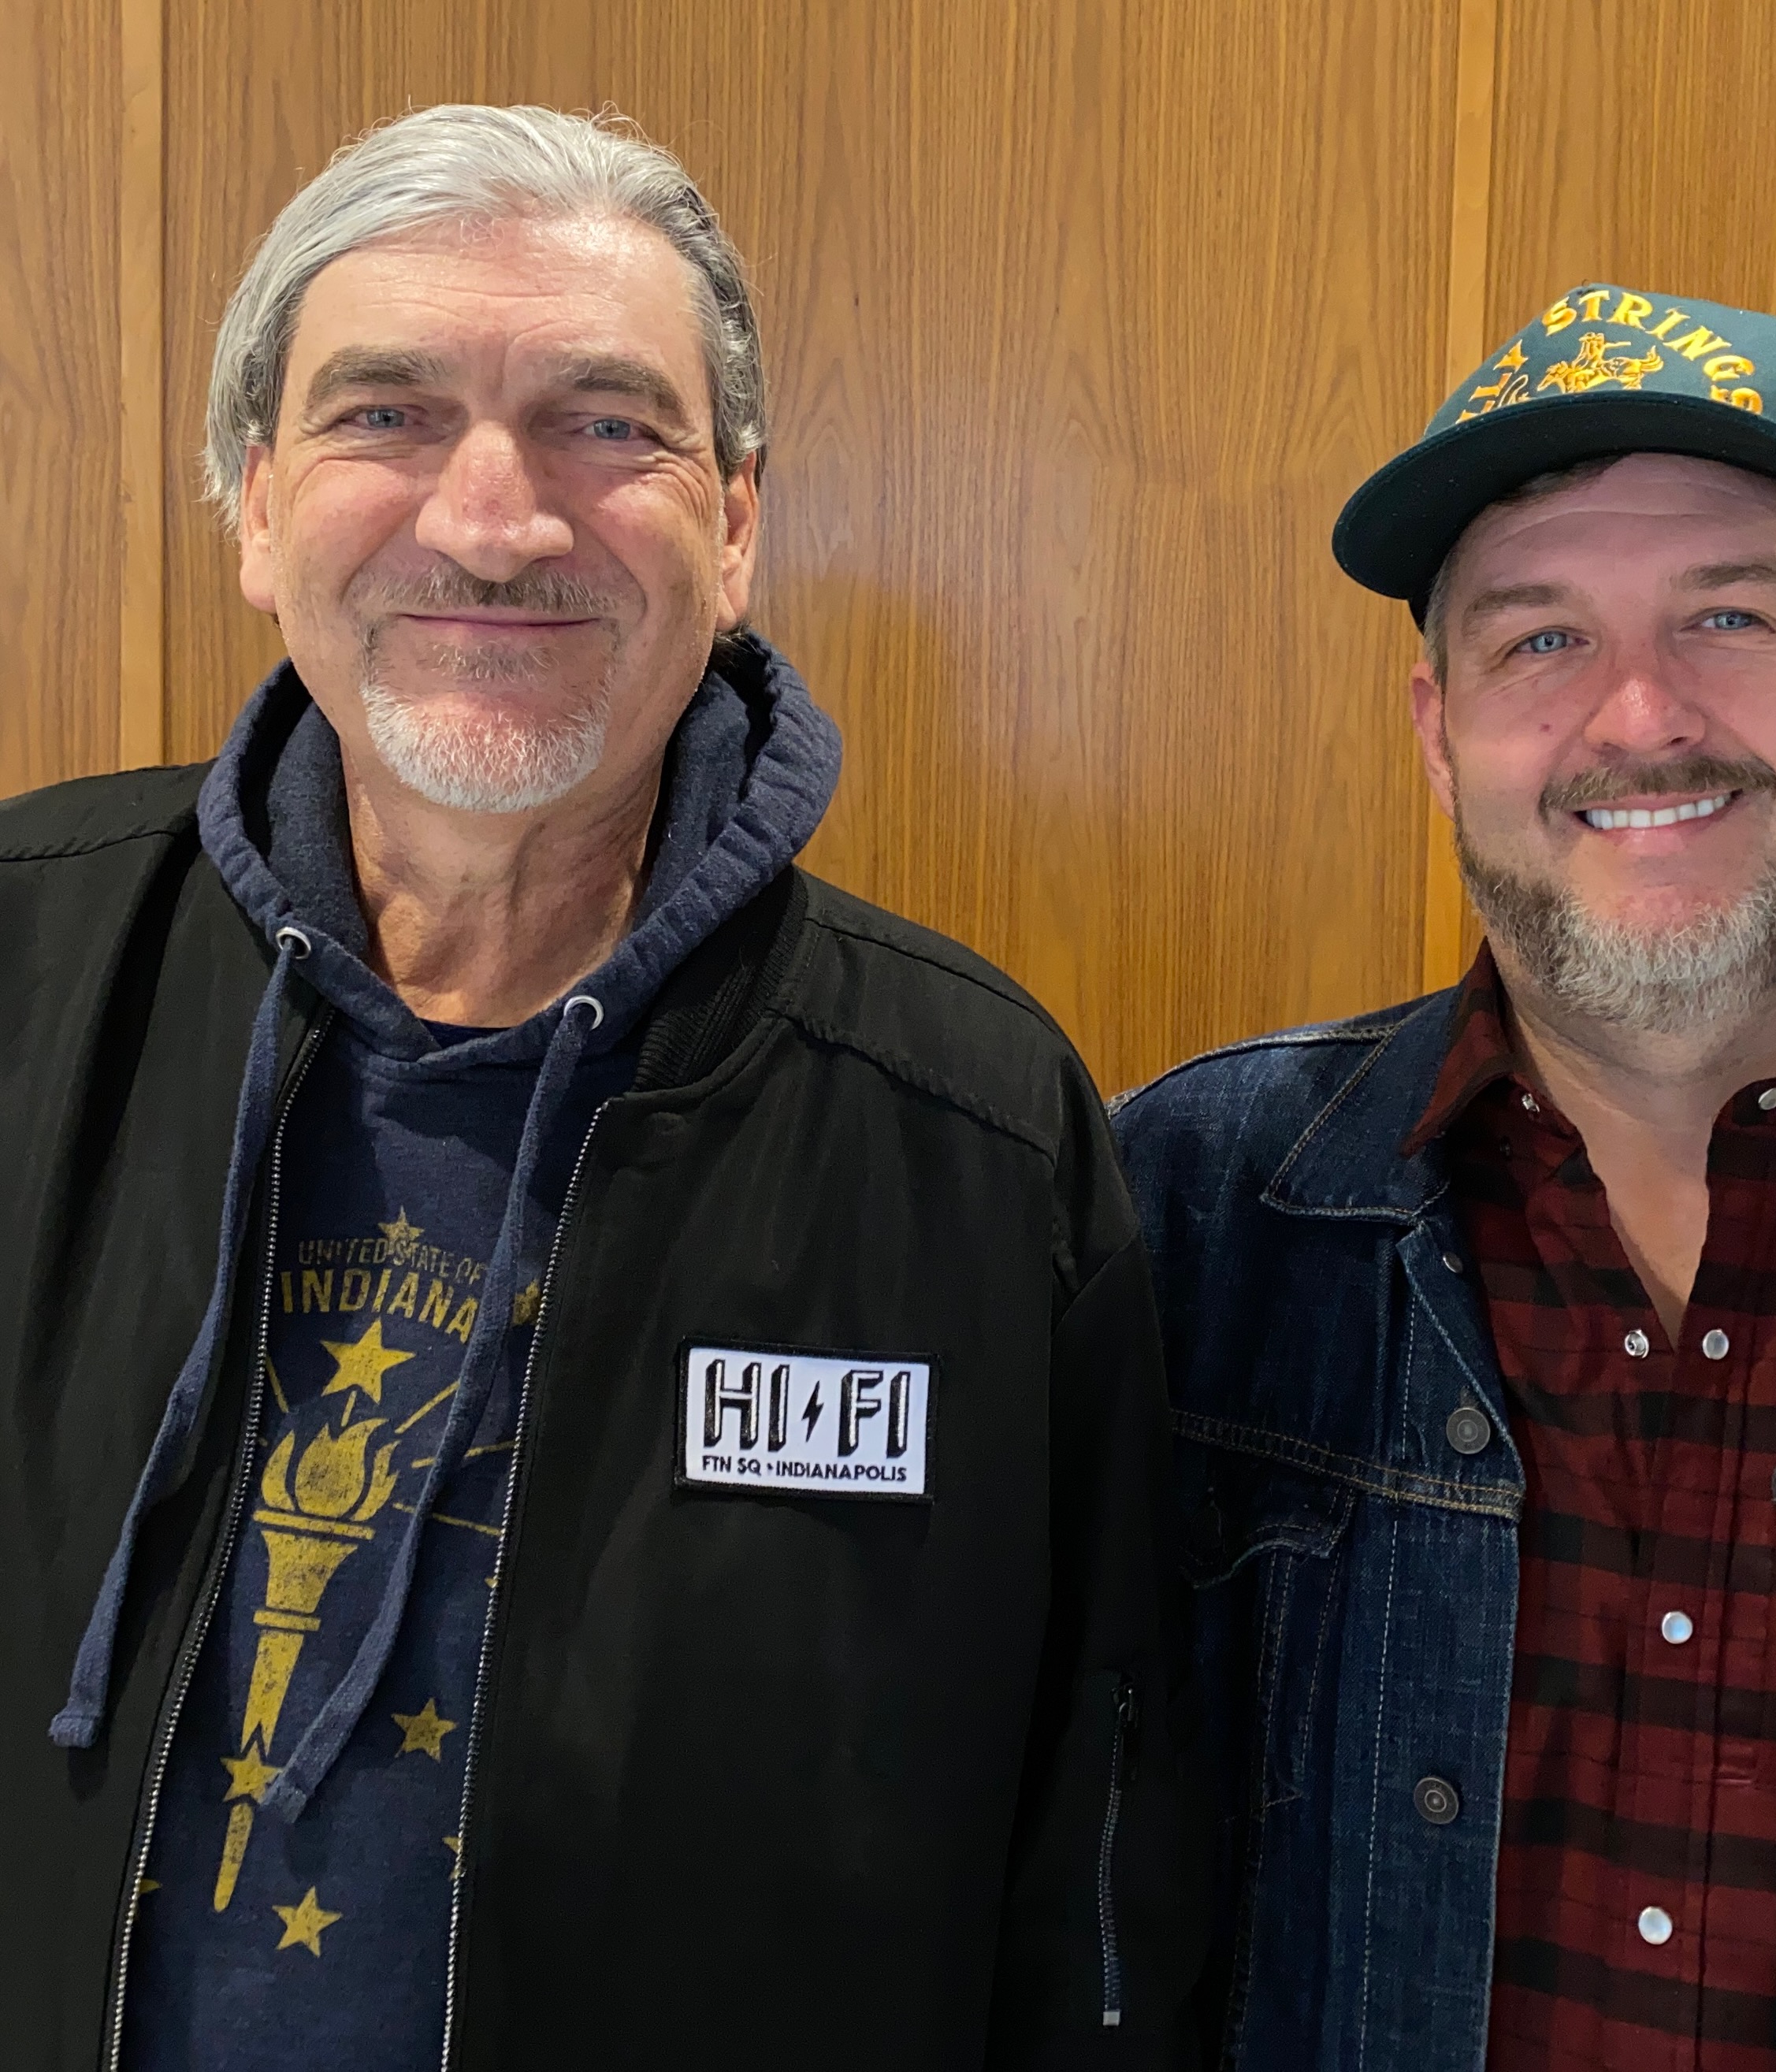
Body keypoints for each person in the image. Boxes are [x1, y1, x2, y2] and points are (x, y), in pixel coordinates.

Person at [1, 104, 1204, 2070]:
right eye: (387, 415)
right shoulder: (23, 974)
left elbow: (1086, 1877)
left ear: (733, 523)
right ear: (255, 506)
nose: (495, 521)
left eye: (604, 423)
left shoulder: (974, 1131)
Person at [1113, 283, 1776, 2070]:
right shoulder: (1188, 1215)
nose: (1638, 717)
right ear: (1437, 730)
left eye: (1727, 614)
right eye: (1540, 638)